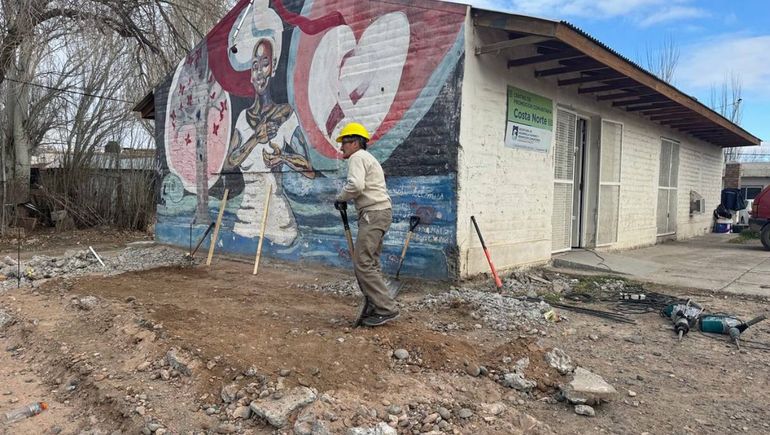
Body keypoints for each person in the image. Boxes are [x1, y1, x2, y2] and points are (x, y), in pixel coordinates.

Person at [334, 123, 399, 327]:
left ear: (354, 142)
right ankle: (374, 303)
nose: (341, 148)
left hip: (373, 213)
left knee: (362, 263)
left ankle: (386, 308)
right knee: (371, 262)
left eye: (344, 143)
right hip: (380, 212)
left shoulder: (357, 157)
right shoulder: (367, 158)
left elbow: (356, 185)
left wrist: (341, 197)